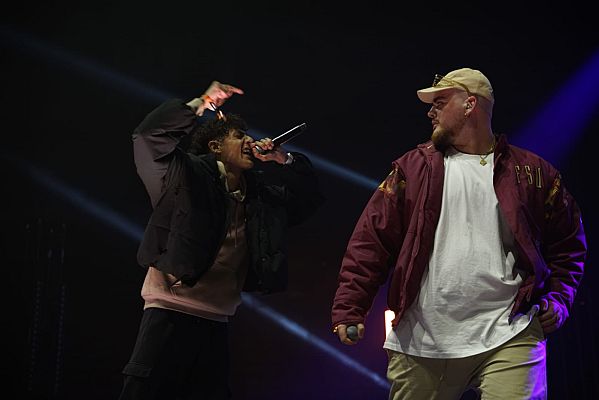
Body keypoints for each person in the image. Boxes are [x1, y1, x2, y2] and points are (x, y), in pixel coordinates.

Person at [331, 68, 586, 399]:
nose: (430, 112)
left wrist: (560, 297)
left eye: (439, 102)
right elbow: (371, 241)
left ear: (470, 104)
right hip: (424, 340)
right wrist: (350, 306)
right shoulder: (412, 169)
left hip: (511, 330)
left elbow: (568, 243)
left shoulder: (533, 173)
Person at [119, 81, 324, 399]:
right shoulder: (184, 175)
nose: (249, 141)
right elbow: (149, 136)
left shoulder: (258, 195)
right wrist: (202, 102)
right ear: (215, 146)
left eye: (248, 135)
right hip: (169, 311)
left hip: (217, 320)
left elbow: (308, 200)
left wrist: (283, 159)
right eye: (239, 136)